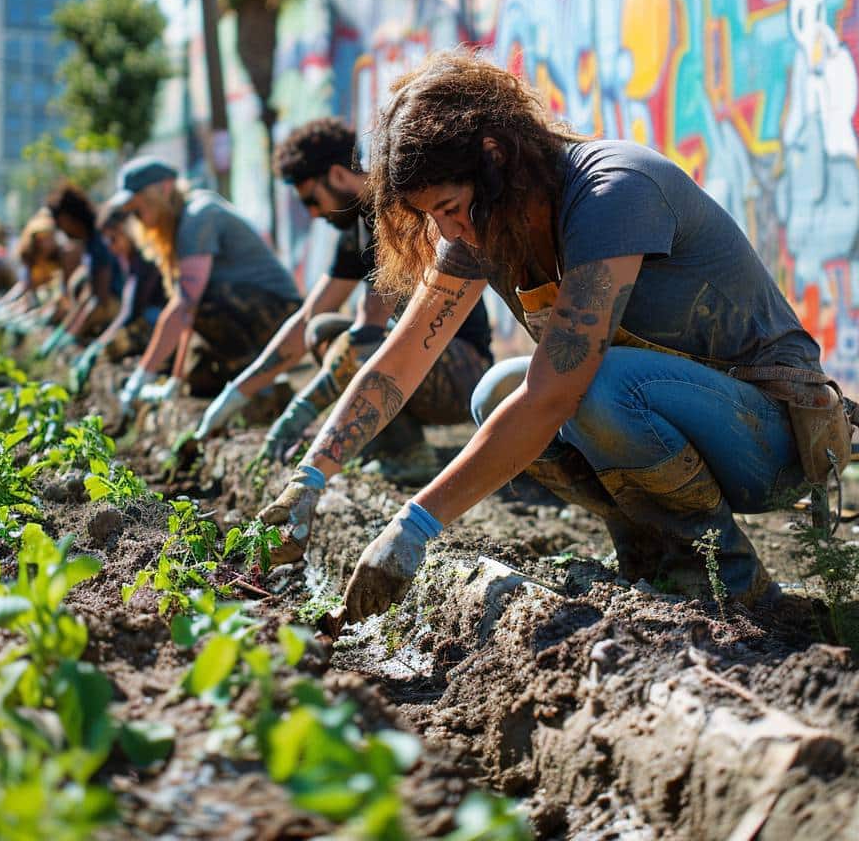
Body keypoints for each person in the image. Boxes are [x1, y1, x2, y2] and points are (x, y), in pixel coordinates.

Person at [259, 51, 829, 617]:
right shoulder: (485, 226)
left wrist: (414, 526)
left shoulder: (612, 192)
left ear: (494, 157)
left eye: (453, 208)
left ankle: (727, 579)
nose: (451, 231)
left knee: (589, 385)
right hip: (681, 420)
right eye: (436, 217)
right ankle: (651, 556)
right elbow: (399, 360)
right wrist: (307, 480)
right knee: (498, 392)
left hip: (771, 438)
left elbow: (556, 391)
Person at [193, 117, 493, 484]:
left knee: (358, 344)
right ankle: (388, 445)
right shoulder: (356, 228)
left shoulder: (397, 215)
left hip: (463, 375)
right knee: (322, 331)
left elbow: (367, 329)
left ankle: (407, 453)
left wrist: (300, 413)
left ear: (336, 176)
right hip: (421, 364)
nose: (313, 214)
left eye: (311, 200)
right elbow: (308, 318)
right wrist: (236, 393)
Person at [107, 156, 301, 412]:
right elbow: (189, 314)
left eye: (137, 207)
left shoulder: (198, 217)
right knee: (199, 381)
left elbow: (186, 307)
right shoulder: (179, 220)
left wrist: (142, 375)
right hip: (244, 308)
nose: (136, 218)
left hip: (279, 313)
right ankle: (271, 387)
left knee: (200, 300)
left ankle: (259, 392)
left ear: (164, 188)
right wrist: (177, 378)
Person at [68, 207, 166, 392]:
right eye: (108, 242)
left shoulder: (144, 259)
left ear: (126, 230)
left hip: (157, 324)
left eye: (114, 239)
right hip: (146, 321)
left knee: (115, 347)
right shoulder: (128, 259)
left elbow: (130, 312)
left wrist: (98, 346)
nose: (112, 247)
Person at [36, 184, 124, 358]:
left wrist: (73, 334)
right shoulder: (90, 243)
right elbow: (87, 295)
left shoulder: (99, 241)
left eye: (62, 224)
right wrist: (65, 330)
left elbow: (101, 300)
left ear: (70, 217)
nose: (62, 231)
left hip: (117, 307)